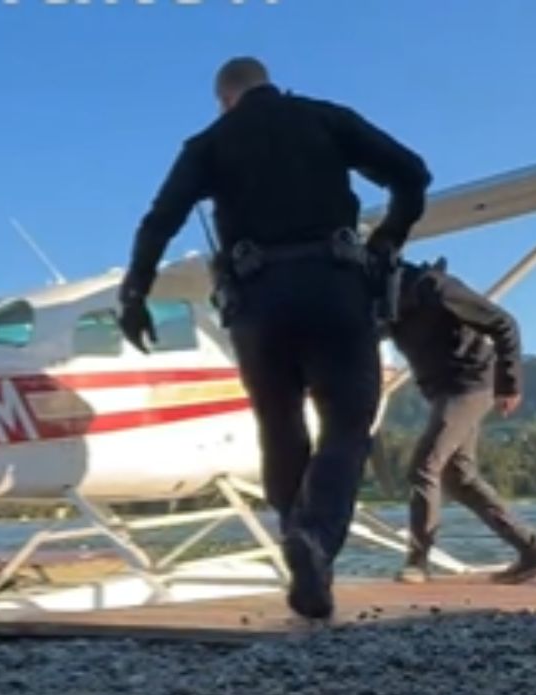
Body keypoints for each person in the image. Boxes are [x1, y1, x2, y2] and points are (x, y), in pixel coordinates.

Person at [117, 57, 431, 619]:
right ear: (268, 83)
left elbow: (159, 219)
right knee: (346, 424)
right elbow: (413, 173)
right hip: (336, 287)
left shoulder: (209, 142)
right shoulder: (325, 118)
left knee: (279, 428)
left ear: (224, 99)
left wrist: (134, 294)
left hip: (255, 299)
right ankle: (315, 541)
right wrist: (386, 240)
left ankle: (298, 545)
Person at [387, 257, 536, 584]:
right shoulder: (380, 303)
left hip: (472, 384)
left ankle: (417, 562)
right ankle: (532, 552)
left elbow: (504, 323)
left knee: (425, 465)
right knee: (458, 477)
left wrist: (510, 383)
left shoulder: (435, 287)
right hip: (441, 391)